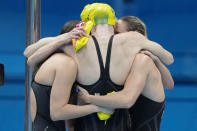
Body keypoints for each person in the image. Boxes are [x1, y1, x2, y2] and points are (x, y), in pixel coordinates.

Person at [24, 3, 174, 131]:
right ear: (112, 23)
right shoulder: (134, 41)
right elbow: (169, 59)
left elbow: (30, 56)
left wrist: (64, 38)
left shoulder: (73, 46)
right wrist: (152, 54)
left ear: (87, 23)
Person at [78, 16, 174, 131]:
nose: (113, 37)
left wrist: (88, 98)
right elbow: (170, 84)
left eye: (117, 33)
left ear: (135, 34)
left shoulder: (142, 60)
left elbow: (127, 100)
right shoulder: (127, 63)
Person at [29, 20, 112, 131]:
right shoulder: (66, 64)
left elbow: (70, 124)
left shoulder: (57, 60)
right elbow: (57, 113)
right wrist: (97, 107)